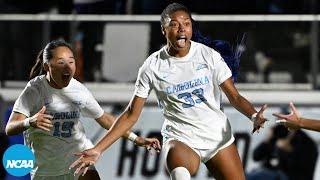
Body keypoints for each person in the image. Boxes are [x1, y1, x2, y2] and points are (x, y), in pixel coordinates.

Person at [70, 3, 268, 180]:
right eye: (174, 24)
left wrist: (252, 115)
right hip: (182, 138)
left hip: (217, 137)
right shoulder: (152, 66)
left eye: (187, 23)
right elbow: (131, 114)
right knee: (179, 169)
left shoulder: (208, 56)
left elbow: (234, 96)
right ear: (164, 30)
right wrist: (98, 149)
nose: (182, 28)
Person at [5, 39, 161, 180]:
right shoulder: (34, 90)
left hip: (78, 159)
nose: (67, 67)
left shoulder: (78, 89)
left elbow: (105, 119)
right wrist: (29, 122)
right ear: (47, 66)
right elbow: (10, 128)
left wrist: (136, 139)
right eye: (61, 62)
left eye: (71, 62)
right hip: (45, 170)